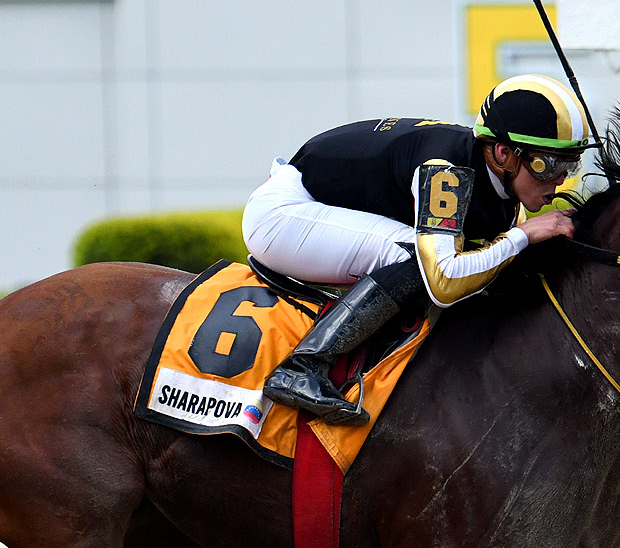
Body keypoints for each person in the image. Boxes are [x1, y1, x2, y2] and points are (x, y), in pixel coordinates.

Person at [244, 75, 593, 425]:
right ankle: (302, 365)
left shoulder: (503, 191)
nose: (560, 179)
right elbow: (443, 281)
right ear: (504, 153)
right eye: (550, 165)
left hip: (319, 206)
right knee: (416, 258)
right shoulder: (448, 171)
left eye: (571, 165)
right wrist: (521, 236)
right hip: (282, 215)